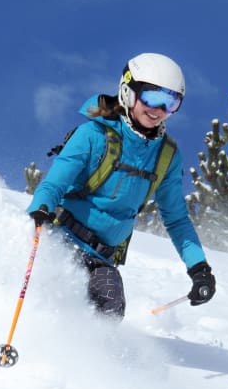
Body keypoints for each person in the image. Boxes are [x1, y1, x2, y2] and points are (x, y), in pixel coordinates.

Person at [26, 52, 215, 318]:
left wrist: (199, 268)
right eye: (152, 98)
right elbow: (55, 183)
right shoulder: (92, 135)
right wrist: (41, 207)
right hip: (61, 240)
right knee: (51, 298)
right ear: (128, 91)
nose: (159, 110)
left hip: (102, 259)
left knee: (110, 311)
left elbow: (176, 219)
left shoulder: (167, 157)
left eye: (170, 103)